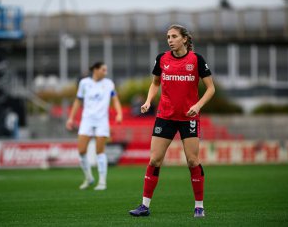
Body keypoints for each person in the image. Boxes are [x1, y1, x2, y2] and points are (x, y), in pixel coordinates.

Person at [129, 24, 215, 218]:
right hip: (165, 116)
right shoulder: (162, 59)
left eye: (174, 36)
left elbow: (211, 89)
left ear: (184, 39)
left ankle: (199, 207)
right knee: (154, 159)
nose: (170, 40)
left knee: (192, 161)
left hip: (189, 118)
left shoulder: (197, 60)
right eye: (168, 37)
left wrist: (198, 106)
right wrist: (148, 101)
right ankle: (144, 206)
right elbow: (155, 83)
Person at [66, 62, 123, 190]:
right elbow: (77, 101)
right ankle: (89, 178)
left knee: (99, 151)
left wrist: (119, 113)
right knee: (81, 151)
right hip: (87, 120)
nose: (105, 72)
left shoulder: (109, 84)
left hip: (102, 121)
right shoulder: (84, 83)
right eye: (103, 70)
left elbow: (115, 100)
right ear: (96, 70)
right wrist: (71, 118)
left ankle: (102, 182)